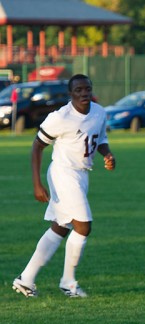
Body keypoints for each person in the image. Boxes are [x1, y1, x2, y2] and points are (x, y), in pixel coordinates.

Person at [12, 74, 115, 298]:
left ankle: (26, 279)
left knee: (61, 227)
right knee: (84, 226)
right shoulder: (60, 117)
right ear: (71, 94)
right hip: (63, 173)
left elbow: (99, 140)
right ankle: (68, 283)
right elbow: (37, 147)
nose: (84, 93)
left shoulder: (99, 112)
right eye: (78, 90)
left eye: (87, 89)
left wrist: (107, 154)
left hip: (82, 175)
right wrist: (36, 183)